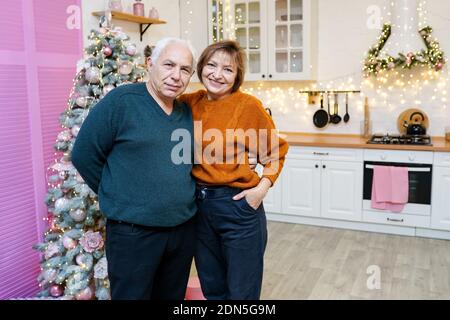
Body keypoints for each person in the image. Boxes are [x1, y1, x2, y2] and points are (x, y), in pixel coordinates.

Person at [72, 38, 197, 300]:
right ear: (150, 64)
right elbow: (84, 154)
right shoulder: (122, 102)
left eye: (185, 69)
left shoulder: (186, 111)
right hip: (134, 234)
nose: (176, 75)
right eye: (169, 65)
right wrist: (116, 192)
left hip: (181, 231)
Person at [178, 40, 289, 300]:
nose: (217, 74)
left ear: (237, 76)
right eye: (212, 65)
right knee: (212, 288)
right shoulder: (189, 103)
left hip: (238, 206)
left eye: (228, 69)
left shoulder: (248, 106)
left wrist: (261, 189)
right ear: (201, 67)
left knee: (242, 294)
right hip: (199, 209)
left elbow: (276, 152)